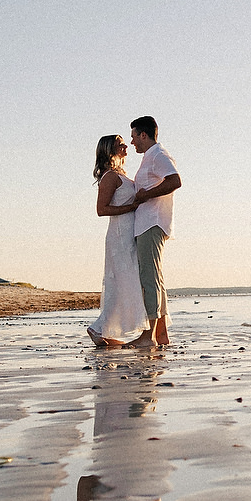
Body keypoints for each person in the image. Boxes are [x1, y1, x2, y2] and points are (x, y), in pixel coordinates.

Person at [86, 135, 149, 347]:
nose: (125, 146)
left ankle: (105, 329)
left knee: (127, 281)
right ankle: (98, 328)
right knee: (122, 281)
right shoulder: (110, 177)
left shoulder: (121, 175)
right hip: (120, 235)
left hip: (129, 232)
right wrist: (131, 207)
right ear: (110, 150)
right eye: (120, 144)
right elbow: (101, 209)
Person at [129, 115, 181, 348]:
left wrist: (145, 195)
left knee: (149, 279)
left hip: (152, 223)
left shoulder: (158, 155)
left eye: (134, 137)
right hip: (148, 223)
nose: (132, 143)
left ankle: (147, 336)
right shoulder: (150, 157)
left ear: (143, 134)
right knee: (156, 279)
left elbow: (175, 181)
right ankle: (161, 335)